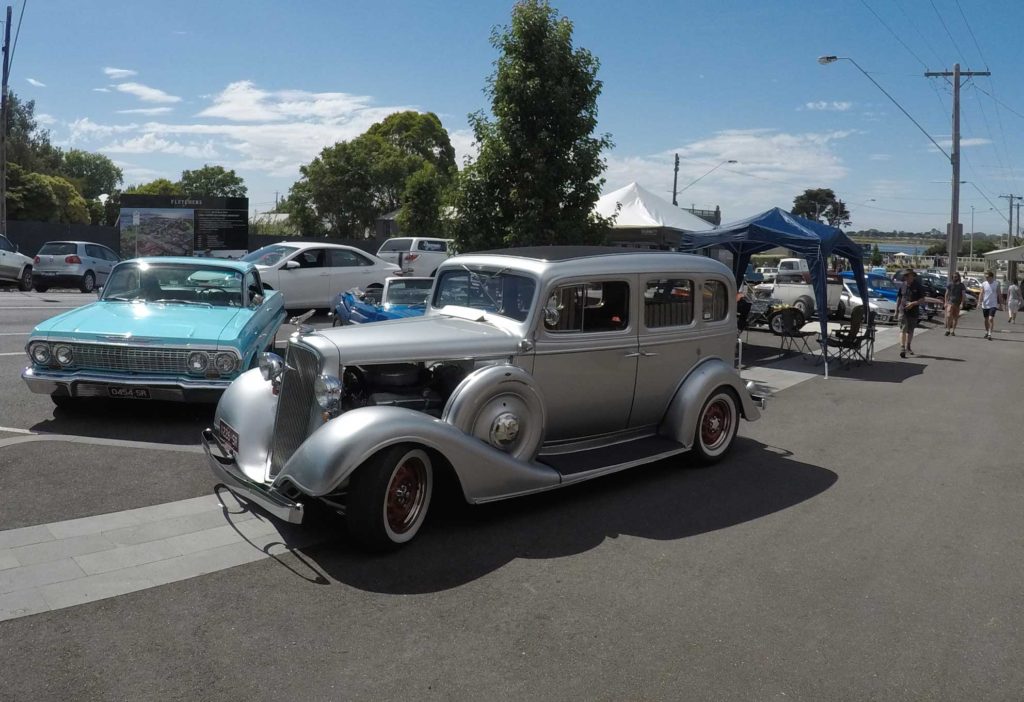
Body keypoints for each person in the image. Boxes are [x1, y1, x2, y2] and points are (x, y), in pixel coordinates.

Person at [896, 268, 924, 358]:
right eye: (905, 276)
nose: (906, 277)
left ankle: (908, 346)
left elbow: (922, 299)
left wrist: (913, 303)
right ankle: (902, 348)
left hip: (913, 311)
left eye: (908, 275)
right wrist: (896, 310)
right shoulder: (902, 286)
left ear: (912, 276)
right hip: (903, 310)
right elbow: (899, 298)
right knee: (903, 328)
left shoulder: (918, 286)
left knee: (910, 330)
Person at [979, 270, 1002, 340]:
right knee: (986, 319)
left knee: (990, 318)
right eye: (986, 277)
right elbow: (981, 293)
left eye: (988, 277)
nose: (986, 278)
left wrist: (1000, 304)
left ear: (992, 277)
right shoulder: (984, 284)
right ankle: (986, 331)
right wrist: (979, 302)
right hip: (985, 304)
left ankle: (989, 334)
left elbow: (999, 294)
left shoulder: (996, 284)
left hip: (993, 304)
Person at [944, 272, 966, 336]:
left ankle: (953, 331)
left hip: (957, 304)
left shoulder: (961, 285)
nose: (954, 278)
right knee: (948, 316)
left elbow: (963, 295)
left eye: (956, 277)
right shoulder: (950, 284)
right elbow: (946, 294)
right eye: (953, 277)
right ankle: (948, 330)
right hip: (950, 302)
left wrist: (962, 303)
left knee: (955, 318)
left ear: (958, 277)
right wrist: (945, 302)